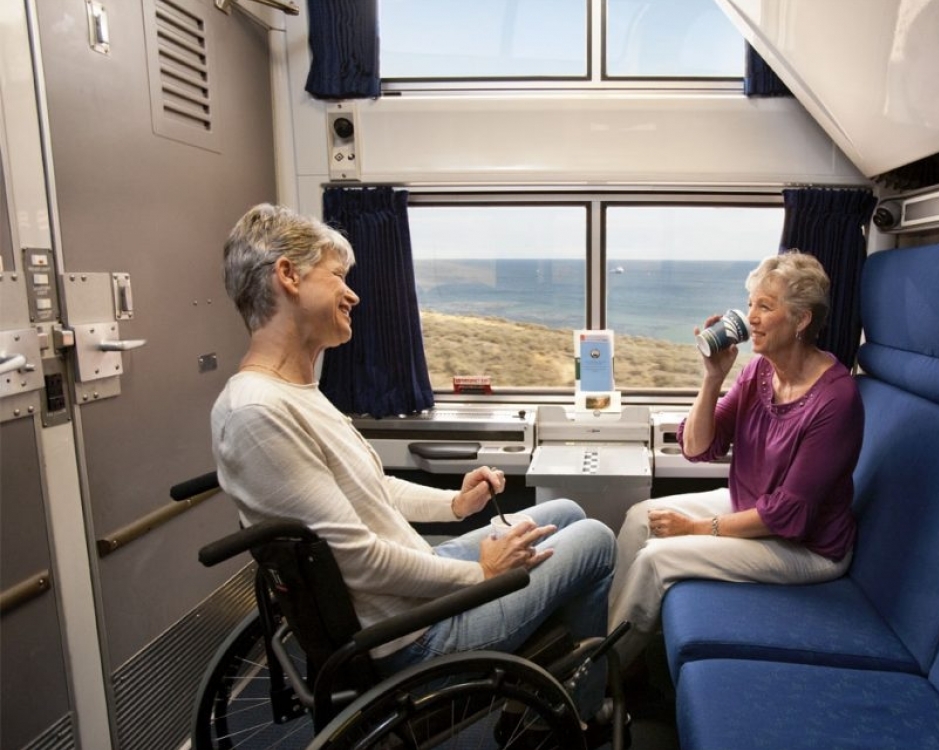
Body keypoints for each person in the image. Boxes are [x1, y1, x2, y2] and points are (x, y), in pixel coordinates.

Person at [210, 203, 616, 721]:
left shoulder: (295, 392)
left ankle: (547, 677)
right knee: (597, 539)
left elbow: (373, 488)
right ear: (287, 276)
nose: (352, 294)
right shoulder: (258, 413)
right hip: (412, 636)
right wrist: (481, 577)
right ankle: (575, 713)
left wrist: (456, 503)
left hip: (411, 595)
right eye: (337, 276)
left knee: (565, 513)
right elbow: (356, 559)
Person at [608, 250, 864, 666]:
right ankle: (603, 634)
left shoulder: (837, 400)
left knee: (658, 559)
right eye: (750, 306)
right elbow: (697, 447)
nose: (752, 319)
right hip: (752, 507)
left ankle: (602, 676)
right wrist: (712, 379)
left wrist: (695, 528)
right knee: (641, 517)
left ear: (800, 320)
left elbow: (786, 517)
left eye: (765, 306)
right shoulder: (757, 372)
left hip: (806, 546)